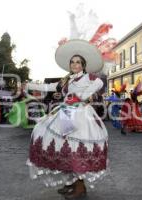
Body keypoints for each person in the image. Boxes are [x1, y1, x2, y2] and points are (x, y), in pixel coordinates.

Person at [26, 40, 108, 199]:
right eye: (72, 62)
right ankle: (71, 183)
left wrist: (82, 96)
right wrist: (28, 85)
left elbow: (99, 82)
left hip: (81, 116)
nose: (75, 64)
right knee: (64, 148)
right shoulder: (66, 79)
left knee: (77, 149)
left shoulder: (88, 76)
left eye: (78, 62)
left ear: (83, 65)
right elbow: (49, 87)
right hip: (65, 114)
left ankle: (80, 187)